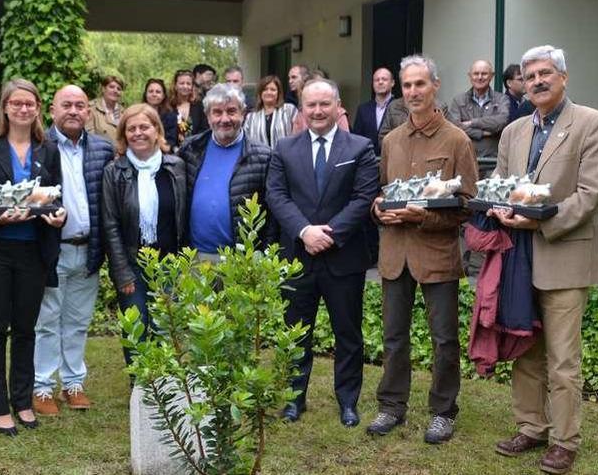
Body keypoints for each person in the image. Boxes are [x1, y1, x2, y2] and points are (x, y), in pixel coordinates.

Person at [490, 45, 598, 475]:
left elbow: (591, 195)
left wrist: (539, 223)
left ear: (563, 77)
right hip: (518, 257)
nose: (538, 81)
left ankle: (564, 441)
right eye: (530, 75)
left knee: (563, 358)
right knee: (525, 348)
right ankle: (530, 427)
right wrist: (498, 207)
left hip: (562, 254)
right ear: (522, 84)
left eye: (546, 73)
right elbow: (501, 183)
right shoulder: (514, 130)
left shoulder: (592, 123)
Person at [367, 54, 478, 444]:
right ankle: (391, 406)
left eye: (420, 84)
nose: (413, 91)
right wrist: (379, 210)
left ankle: (443, 412)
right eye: (407, 85)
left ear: (435, 86)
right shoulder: (391, 141)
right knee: (394, 337)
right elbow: (383, 195)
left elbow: (466, 205)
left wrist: (422, 217)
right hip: (395, 256)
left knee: (444, 339)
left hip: (437, 255)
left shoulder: (457, 139)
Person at [266, 79, 379, 425]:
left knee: (348, 333)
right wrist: (304, 231)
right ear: (302, 108)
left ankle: (347, 401)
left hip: (343, 257)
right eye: (311, 105)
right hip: (298, 257)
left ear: (338, 106)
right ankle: (293, 399)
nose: (317, 111)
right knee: (296, 331)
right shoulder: (284, 149)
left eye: (324, 104)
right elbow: (276, 195)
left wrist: (329, 234)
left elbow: (364, 197)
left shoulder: (360, 148)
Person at [0, 79, 66, 436]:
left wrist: (58, 215)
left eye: (30, 103)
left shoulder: (48, 150)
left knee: (26, 329)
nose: (23, 109)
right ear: (5, 107)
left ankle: (22, 400)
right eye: (16, 103)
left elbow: (55, 197)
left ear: (38, 108)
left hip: (32, 251)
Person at [32, 85, 113, 416]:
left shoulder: (103, 150)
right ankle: (42, 386)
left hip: (89, 249)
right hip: (52, 248)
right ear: (52, 110)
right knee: (48, 320)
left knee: (78, 321)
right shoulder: (38, 148)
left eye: (81, 105)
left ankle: (73, 383)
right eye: (67, 105)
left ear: (88, 112)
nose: (74, 111)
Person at [101, 104, 186, 366]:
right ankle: (139, 386)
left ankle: (165, 388)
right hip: (133, 264)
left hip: (169, 263)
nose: (138, 133)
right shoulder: (115, 172)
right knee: (136, 326)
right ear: (124, 135)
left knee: (166, 326)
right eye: (131, 128)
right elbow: (110, 225)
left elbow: (184, 215)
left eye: (144, 127)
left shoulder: (176, 167)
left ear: (157, 130)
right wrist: (122, 271)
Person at [178, 83, 273, 260]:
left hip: (241, 259)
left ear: (243, 114)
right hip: (196, 256)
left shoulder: (263, 156)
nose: (224, 119)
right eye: (217, 112)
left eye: (231, 111)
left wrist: (263, 255)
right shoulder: (190, 149)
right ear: (208, 116)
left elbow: (273, 213)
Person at [448, 59, 511, 178]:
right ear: (470, 76)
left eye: (484, 73)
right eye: (476, 73)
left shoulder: (502, 99)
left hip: (492, 164)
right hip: (465, 162)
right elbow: (455, 127)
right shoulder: (458, 100)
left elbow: (501, 122)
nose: (480, 77)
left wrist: (472, 122)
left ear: (492, 76)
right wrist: (483, 133)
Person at [243, 75, 297, 148]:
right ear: (260, 93)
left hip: (285, 157)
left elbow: (298, 136)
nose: (269, 92)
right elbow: (246, 141)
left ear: (278, 93)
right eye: (265, 89)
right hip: (259, 157)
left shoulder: (289, 110)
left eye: (273, 89)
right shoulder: (251, 117)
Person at [352, 67, 395, 156]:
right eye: (376, 80)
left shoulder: (400, 107)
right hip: (368, 161)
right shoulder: (363, 109)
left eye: (384, 79)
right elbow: (356, 138)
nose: (380, 82)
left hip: (392, 159)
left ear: (392, 83)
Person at [168, 69, 208, 148]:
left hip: (196, 150)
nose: (185, 86)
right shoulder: (168, 107)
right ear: (175, 86)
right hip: (173, 152)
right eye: (182, 83)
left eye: (188, 83)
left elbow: (204, 130)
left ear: (192, 86)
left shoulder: (199, 106)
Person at [141, 78, 178, 150]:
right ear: (145, 94)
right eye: (151, 91)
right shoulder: (137, 113)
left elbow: (171, 141)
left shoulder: (170, 116)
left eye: (158, 92)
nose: (154, 94)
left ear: (163, 96)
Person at [86, 75, 124, 143]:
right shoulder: (91, 109)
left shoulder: (124, 112)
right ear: (103, 89)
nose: (115, 90)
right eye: (111, 87)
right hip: (100, 151)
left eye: (119, 89)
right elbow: (89, 138)